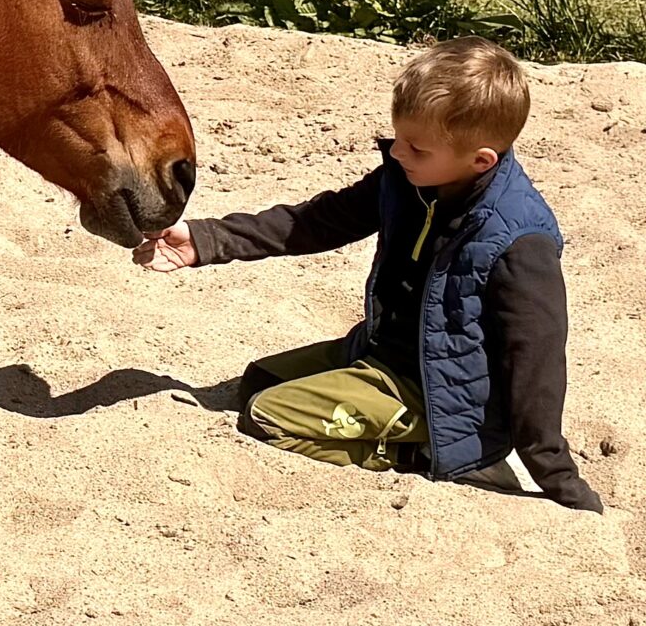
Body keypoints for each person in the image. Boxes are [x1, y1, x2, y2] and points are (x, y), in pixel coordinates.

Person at [136, 37, 602, 512]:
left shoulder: (520, 240)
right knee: (257, 381)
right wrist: (206, 240)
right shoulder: (410, 178)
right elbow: (318, 222)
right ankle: (388, 413)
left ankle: (417, 453)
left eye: (416, 147)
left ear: (480, 160)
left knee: (267, 416)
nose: (397, 152)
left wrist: (554, 472)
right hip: (383, 353)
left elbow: (537, 359)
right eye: (398, 136)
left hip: (438, 396)